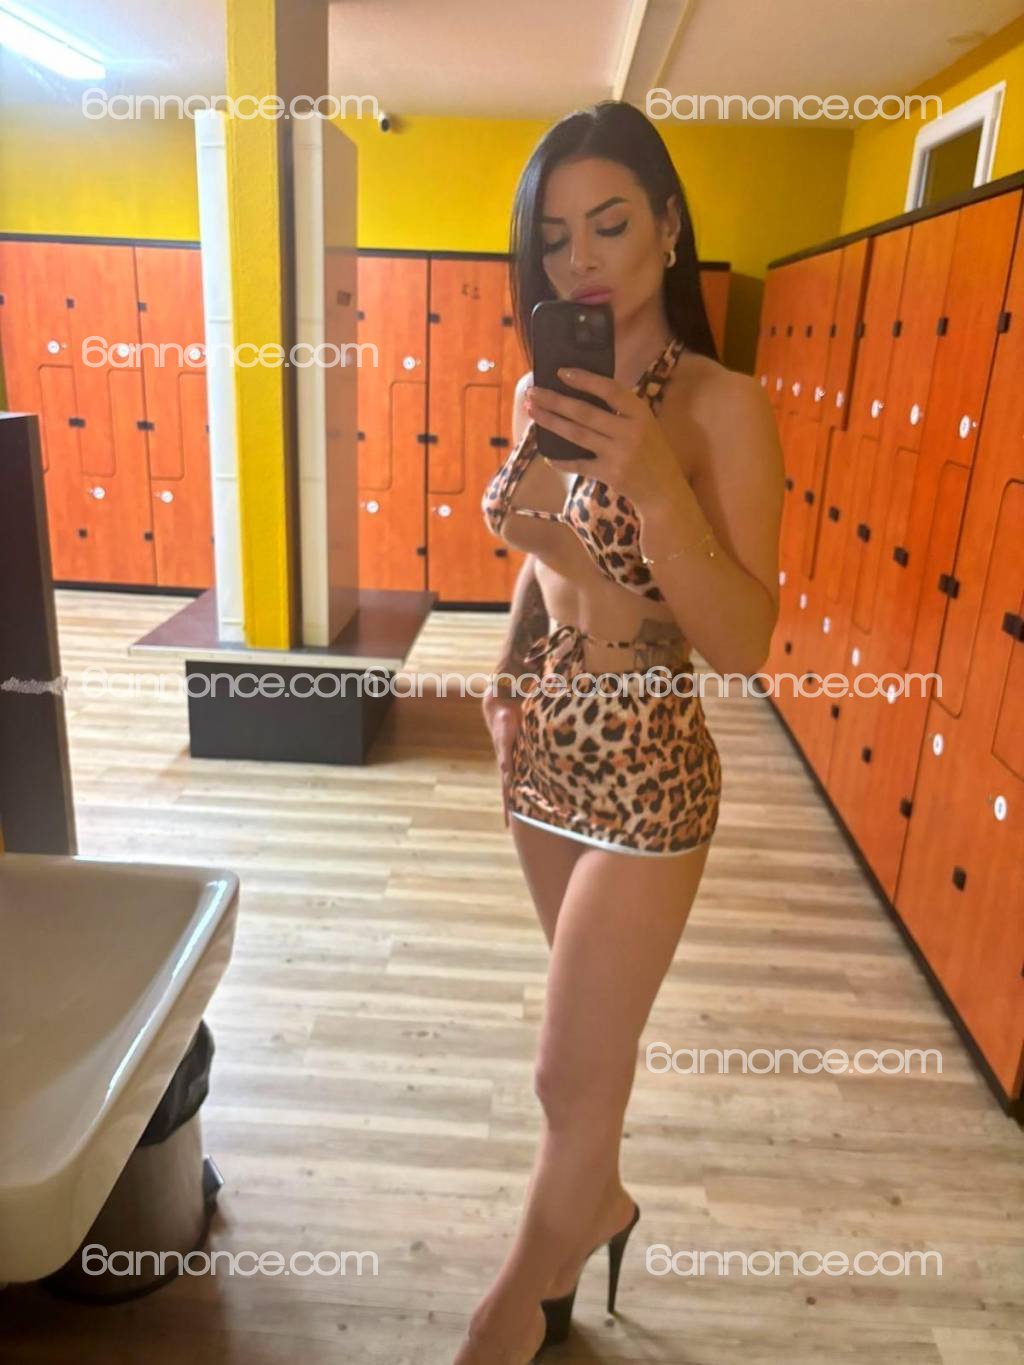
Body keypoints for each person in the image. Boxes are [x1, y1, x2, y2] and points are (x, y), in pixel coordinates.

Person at [458, 100, 784, 1365]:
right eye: (552, 239)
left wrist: (652, 484)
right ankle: (597, 1207)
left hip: (647, 770)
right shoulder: (545, 389)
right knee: (597, 1047)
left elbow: (745, 641)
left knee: (563, 1074)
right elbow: (539, 558)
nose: (580, 260)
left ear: (668, 227)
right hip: (542, 748)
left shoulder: (719, 407)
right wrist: (504, 681)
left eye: (607, 224)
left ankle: (505, 1314)